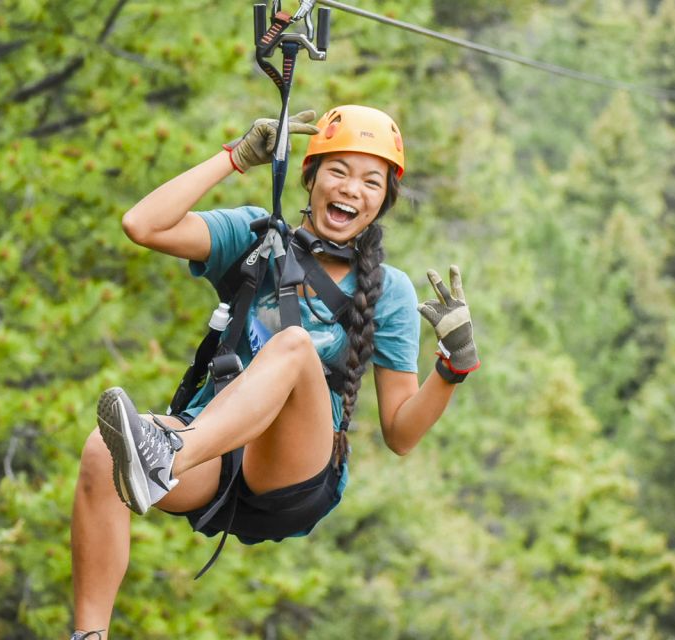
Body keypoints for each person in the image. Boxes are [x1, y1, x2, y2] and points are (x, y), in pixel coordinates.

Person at [69, 105, 480, 639]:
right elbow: (141, 225)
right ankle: (88, 635)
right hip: (214, 451)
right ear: (309, 177)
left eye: (371, 181)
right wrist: (234, 159)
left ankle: (163, 459)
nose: (352, 188)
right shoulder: (255, 236)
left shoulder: (389, 292)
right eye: (338, 171)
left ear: (382, 201)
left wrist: (451, 368)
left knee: (293, 348)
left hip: (295, 471)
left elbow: (401, 434)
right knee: (103, 452)